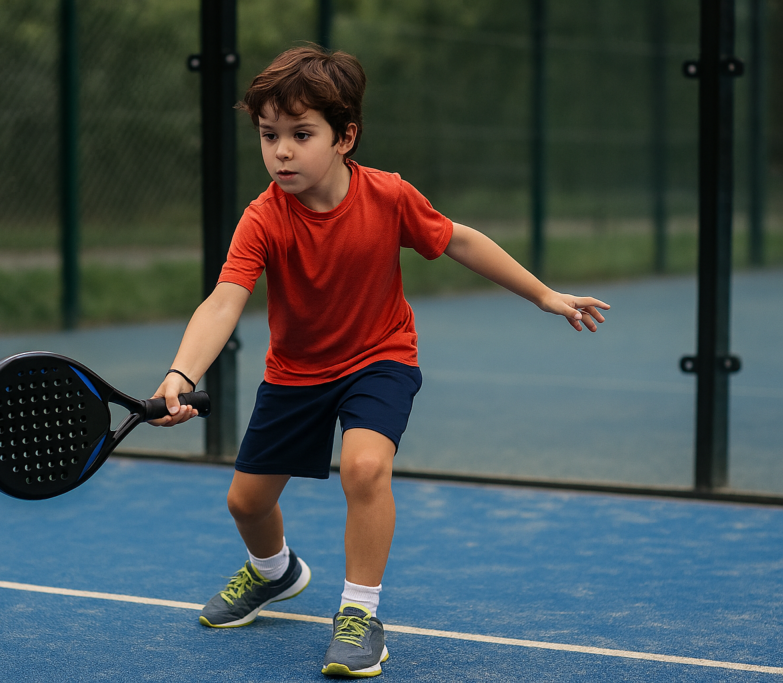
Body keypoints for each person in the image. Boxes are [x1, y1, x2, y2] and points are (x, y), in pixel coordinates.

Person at [150, 45, 610, 678]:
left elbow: (462, 241)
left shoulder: (388, 196)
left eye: (300, 134)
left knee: (365, 469)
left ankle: (360, 612)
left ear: (347, 137)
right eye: (268, 136)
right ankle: (274, 572)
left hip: (380, 358)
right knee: (246, 503)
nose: (281, 151)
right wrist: (182, 373)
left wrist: (544, 295)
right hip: (295, 373)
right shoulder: (261, 219)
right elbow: (225, 300)